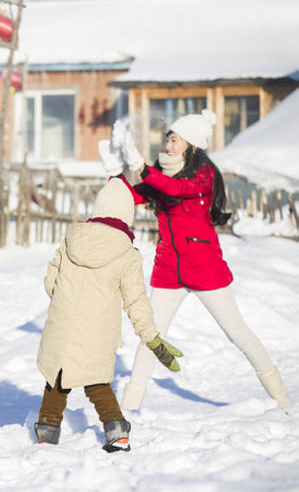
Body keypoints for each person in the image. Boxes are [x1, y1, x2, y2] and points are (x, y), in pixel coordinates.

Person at [102, 110, 293, 412]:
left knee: (238, 334)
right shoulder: (162, 176)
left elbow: (178, 189)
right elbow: (131, 196)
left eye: (175, 140)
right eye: (168, 139)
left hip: (205, 270)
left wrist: (141, 167)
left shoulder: (201, 176)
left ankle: (282, 398)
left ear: (191, 144)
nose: (168, 145)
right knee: (151, 338)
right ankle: (129, 408)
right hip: (169, 271)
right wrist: (115, 170)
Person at [34, 178, 182, 452]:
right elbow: (136, 301)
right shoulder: (127, 254)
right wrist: (152, 338)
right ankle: (117, 432)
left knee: (56, 380)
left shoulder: (72, 239)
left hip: (62, 325)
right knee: (97, 383)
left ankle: (47, 433)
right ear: (127, 214)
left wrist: (65, 302)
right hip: (97, 332)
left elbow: (50, 281)